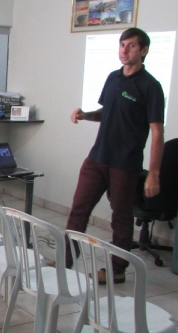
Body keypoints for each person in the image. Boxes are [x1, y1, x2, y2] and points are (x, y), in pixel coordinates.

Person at [66, 27, 164, 285]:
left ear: (143, 50)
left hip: (125, 163)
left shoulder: (150, 86)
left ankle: (117, 270)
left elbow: (157, 132)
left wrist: (154, 173)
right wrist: (86, 115)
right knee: (78, 209)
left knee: (121, 217)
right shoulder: (113, 78)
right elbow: (106, 112)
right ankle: (65, 263)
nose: (124, 50)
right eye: (122, 45)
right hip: (97, 157)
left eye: (131, 46)